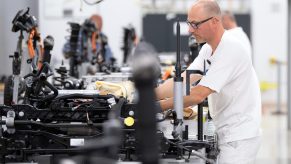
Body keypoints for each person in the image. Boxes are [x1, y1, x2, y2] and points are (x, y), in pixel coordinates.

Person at [155, 0, 261, 163]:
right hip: (228, 131)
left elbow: (198, 95)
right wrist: (149, 95)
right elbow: (185, 78)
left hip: (239, 138)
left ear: (214, 21)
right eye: (189, 23)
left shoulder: (231, 49)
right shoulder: (208, 48)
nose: (190, 30)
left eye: (195, 24)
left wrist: (156, 106)